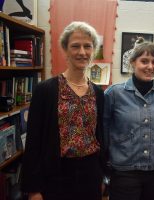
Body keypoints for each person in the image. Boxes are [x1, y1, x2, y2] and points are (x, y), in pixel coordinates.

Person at [21, 21, 104, 200]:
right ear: (65, 50)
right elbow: (33, 141)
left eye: (87, 46)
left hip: (91, 175)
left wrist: (102, 176)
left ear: (93, 50)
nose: (82, 52)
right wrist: (34, 189)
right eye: (75, 46)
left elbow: (100, 136)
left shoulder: (98, 93)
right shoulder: (45, 90)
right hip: (56, 176)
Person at [104, 42, 154, 200]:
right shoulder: (114, 93)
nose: (150, 66)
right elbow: (104, 129)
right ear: (132, 63)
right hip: (124, 171)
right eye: (144, 61)